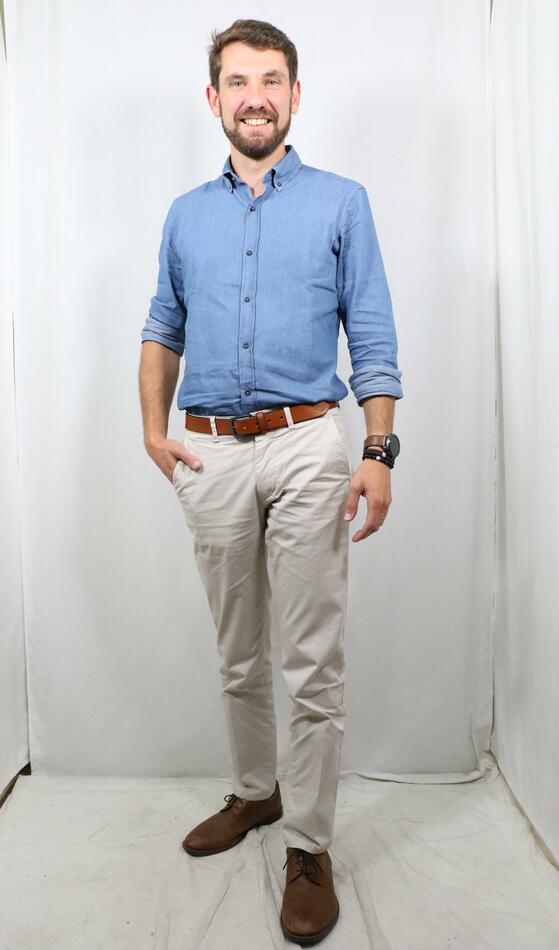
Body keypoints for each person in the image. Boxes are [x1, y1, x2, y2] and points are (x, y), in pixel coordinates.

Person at [138, 18, 403, 947]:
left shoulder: (341, 203)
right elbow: (162, 326)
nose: (256, 97)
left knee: (310, 659)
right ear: (214, 98)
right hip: (209, 451)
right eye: (239, 81)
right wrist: (153, 434)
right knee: (237, 650)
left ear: (295, 94)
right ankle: (256, 793)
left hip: (305, 444)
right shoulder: (185, 214)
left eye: (271, 80)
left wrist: (377, 452)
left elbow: (372, 332)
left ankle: (309, 846)